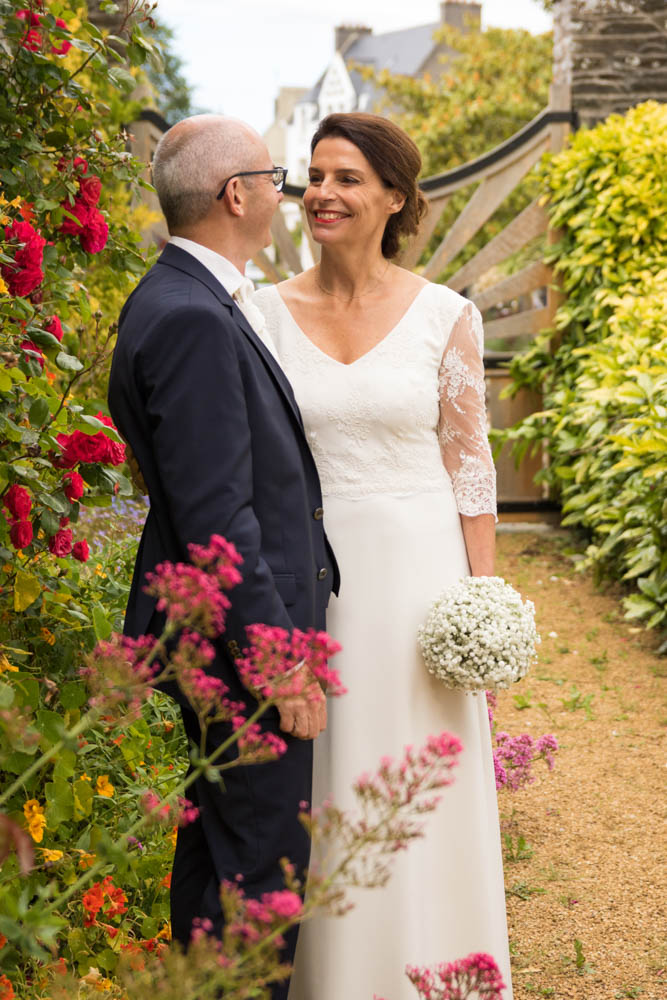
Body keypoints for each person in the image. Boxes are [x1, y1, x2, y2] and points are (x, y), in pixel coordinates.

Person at [253, 112, 513, 1000]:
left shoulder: (445, 314)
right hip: (313, 580)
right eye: (315, 176)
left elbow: (469, 464)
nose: (321, 194)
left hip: (421, 584)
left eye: (347, 179)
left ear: (395, 198)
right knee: (331, 781)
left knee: (426, 780)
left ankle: (438, 971)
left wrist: (483, 602)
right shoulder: (261, 315)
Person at [107, 114, 339, 998]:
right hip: (240, 648)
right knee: (260, 881)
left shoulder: (178, 298)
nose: (288, 193)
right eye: (276, 177)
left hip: (222, 641)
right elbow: (215, 517)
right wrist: (277, 658)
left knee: (219, 859)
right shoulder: (192, 318)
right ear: (236, 194)